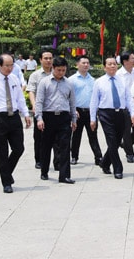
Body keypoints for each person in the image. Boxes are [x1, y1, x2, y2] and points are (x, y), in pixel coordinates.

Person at [0, 54, 31, 193]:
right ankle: (6, 183)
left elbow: (20, 98)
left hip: (14, 117)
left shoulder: (14, 78)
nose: (10, 68)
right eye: (7, 65)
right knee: (2, 152)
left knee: (19, 148)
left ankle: (7, 173)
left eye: (12, 65)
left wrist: (26, 114)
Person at [90, 57, 134, 180]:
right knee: (111, 140)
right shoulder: (99, 82)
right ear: (105, 67)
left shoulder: (122, 81)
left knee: (116, 141)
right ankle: (118, 169)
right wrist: (92, 118)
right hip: (105, 114)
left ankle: (104, 162)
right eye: (109, 64)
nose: (112, 66)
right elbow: (94, 101)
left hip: (120, 113)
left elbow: (128, 98)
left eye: (114, 64)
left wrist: (133, 114)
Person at [36, 56, 77, 184]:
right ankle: (44, 170)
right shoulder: (45, 82)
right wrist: (39, 118)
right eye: (58, 70)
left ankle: (64, 175)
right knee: (46, 146)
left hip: (64, 117)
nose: (61, 73)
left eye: (63, 70)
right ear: (53, 68)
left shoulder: (69, 83)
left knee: (65, 146)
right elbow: (39, 101)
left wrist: (74, 119)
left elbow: (72, 103)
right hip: (49, 116)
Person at [68, 55, 103, 166]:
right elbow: (67, 96)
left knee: (93, 135)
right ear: (77, 64)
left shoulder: (93, 80)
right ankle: (74, 156)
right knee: (76, 135)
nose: (86, 65)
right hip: (77, 111)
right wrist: (72, 110)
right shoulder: (71, 80)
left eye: (87, 63)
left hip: (90, 111)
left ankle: (98, 157)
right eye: (83, 63)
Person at [26, 51, 53, 169]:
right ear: (40, 60)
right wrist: (34, 105)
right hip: (40, 110)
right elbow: (31, 91)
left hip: (53, 110)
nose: (48, 60)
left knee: (55, 138)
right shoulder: (35, 75)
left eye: (50, 58)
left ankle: (57, 161)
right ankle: (39, 160)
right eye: (46, 58)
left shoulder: (57, 73)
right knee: (39, 137)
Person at [116, 51, 134, 163]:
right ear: (125, 61)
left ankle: (125, 144)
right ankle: (129, 153)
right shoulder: (118, 74)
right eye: (132, 58)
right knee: (126, 130)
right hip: (124, 106)